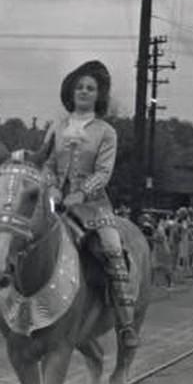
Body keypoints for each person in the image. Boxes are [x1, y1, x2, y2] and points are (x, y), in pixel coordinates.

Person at [39, 60, 139, 348]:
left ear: (99, 95)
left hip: (93, 205)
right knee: (20, 232)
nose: (84, 91)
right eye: (80, 87)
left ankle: (125, 321)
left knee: (110, 246)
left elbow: (104, 172)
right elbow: (46, 163)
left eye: (90, 88)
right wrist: (54, 188)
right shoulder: (56, 128)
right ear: (71, 92)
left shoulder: (106, 132)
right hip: (55, 200)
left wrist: (80, 193)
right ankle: (4, 308)